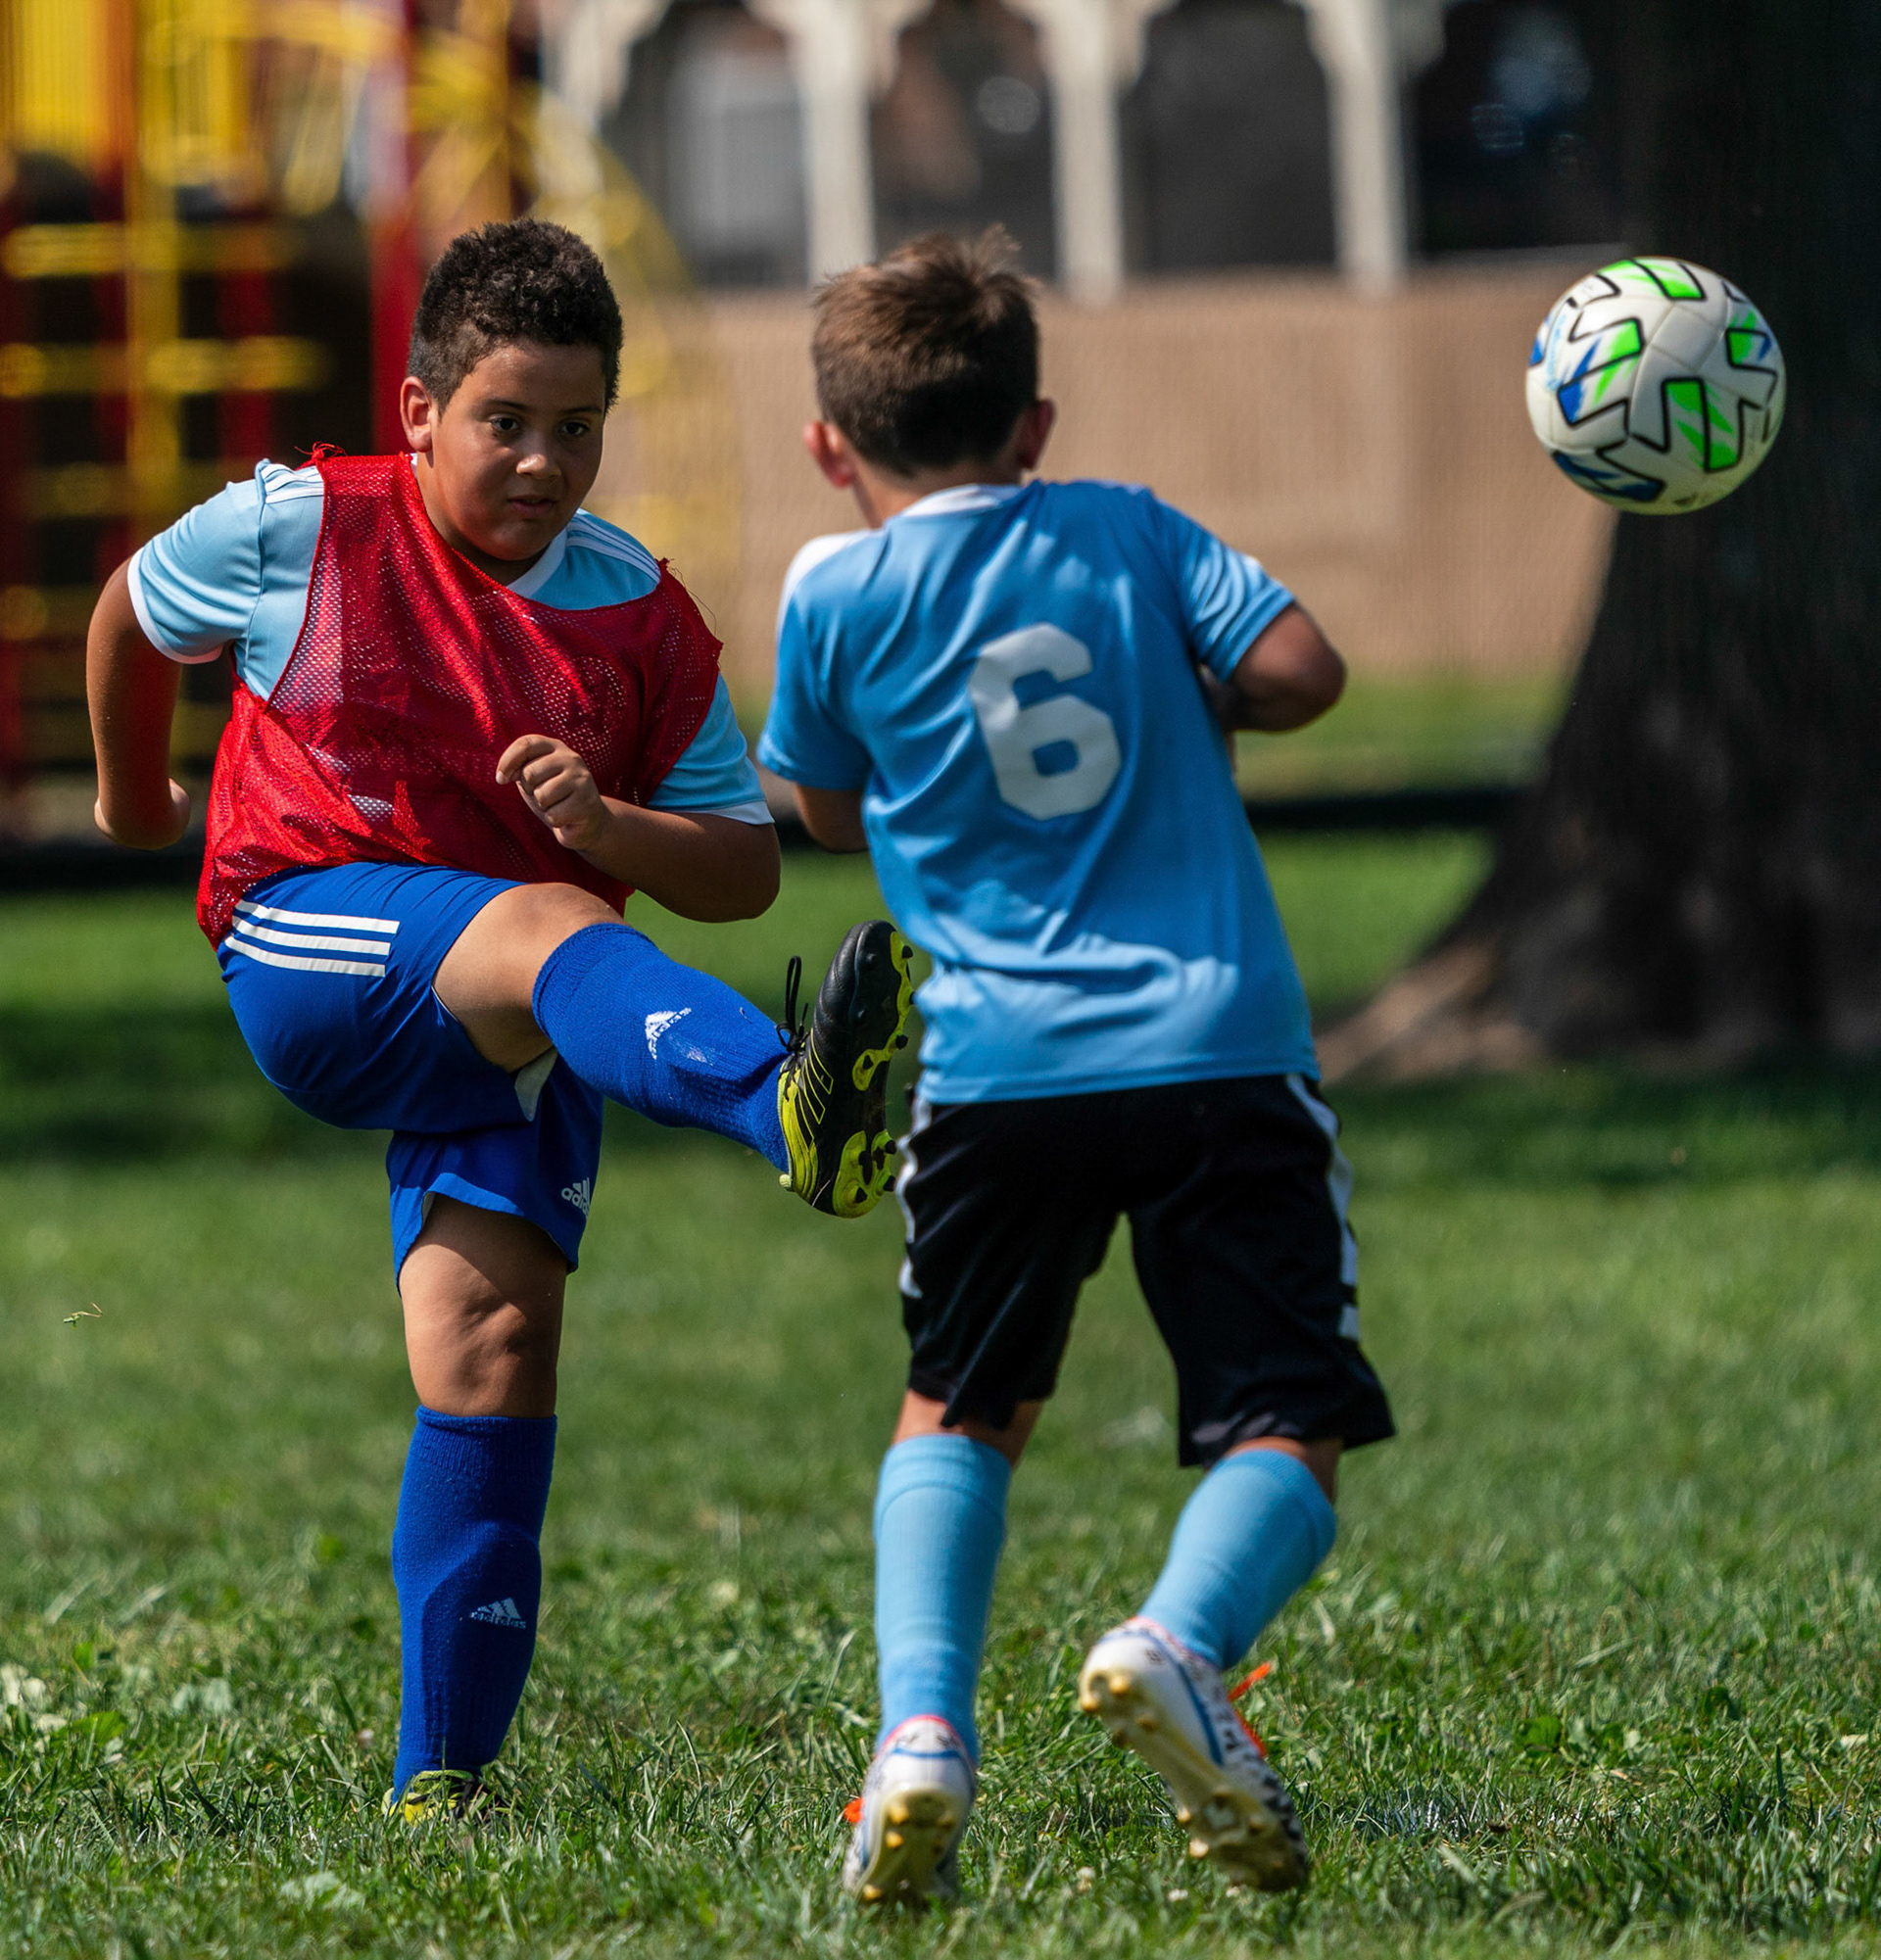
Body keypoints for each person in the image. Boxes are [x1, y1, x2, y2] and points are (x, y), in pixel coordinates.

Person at [85, 218, 913, 1818]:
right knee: (549, 921)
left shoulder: (636, 611)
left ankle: (438, 1785)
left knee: (493, 1349)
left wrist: (611, 824)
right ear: (418, 411)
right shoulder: (303, 524)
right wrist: (135, 799)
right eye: (506, 421)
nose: (545, 462)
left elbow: (742, 866)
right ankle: (783, 1106)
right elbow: (130, 609)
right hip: (304, 941)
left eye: (579, 426)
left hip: (523, 1007)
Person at [758, 228, 1394, 1904]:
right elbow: (1302, 671)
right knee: (1287, 1415)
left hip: (993, 1074)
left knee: (962, 1403)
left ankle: (919, 1735)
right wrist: (1202, 697)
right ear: (1033, 424)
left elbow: (820, 806)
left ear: (830, 447)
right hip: (1216, 1048)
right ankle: (1178, 1642)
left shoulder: (831, 594)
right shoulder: (1124, 526)